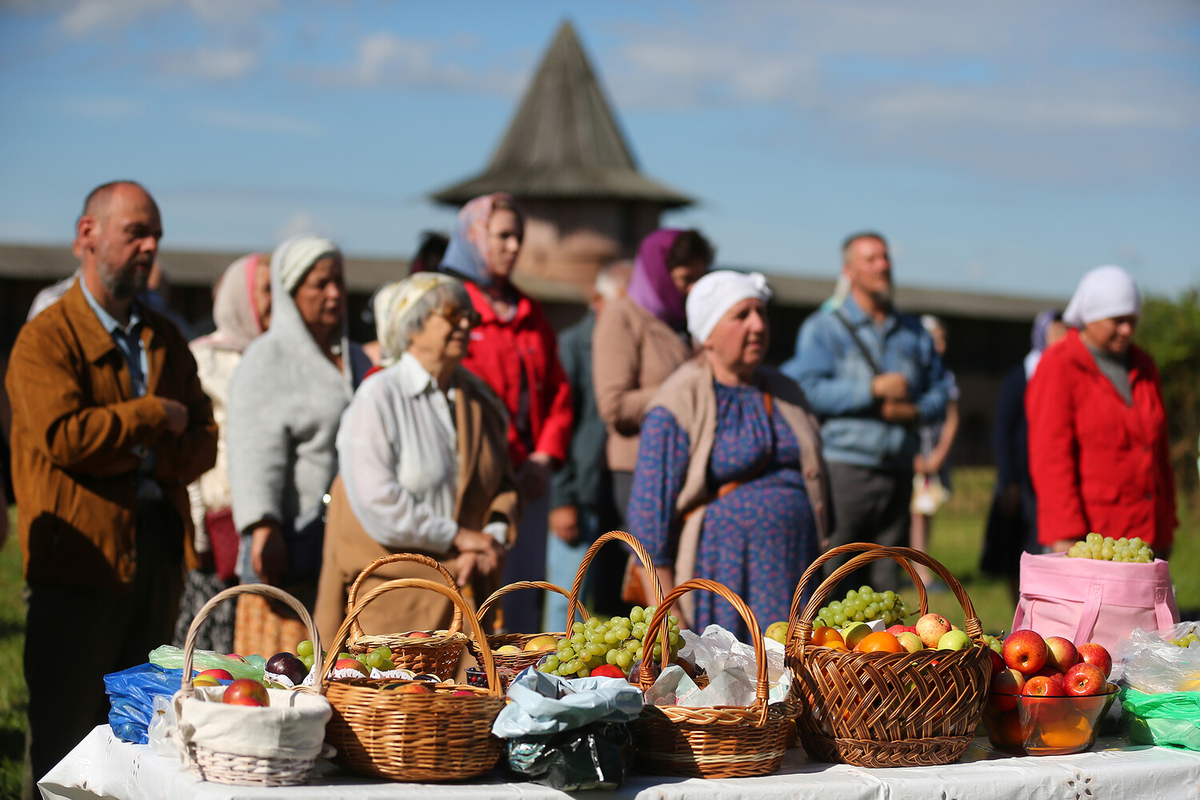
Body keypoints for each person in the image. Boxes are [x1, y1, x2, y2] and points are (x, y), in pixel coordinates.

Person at [5, 181, 218, 793]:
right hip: (78, 565)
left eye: (155, 236)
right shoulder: (46, 338)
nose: (150, 247)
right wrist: (152, 418)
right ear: (86, 237)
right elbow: (64, 439)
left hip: (156, 553)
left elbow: (202, 439)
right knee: (66, 736)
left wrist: (136, 447)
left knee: (140, 735)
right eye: (136, 233)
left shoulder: (165, 336)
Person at [315, 274, 517, 648]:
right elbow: (380, 501)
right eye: (452, 313)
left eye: (469, 316)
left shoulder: (479, 400)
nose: (464, 324)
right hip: (397, 606)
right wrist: (458, 538)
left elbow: (503, 485)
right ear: (412, 327)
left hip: (468, 599)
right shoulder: (379, 397)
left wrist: (492, 540)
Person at [627, 271, 830, 637]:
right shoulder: (677, 403)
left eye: (761, 313)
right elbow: (648, 528)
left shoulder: (788, 392)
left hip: (793, 568)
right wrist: (672, 620)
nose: (757, 324)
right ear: (708, 335)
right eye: (741, 315)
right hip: (723, 575)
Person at [227, 235, 371, 656]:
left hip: (344, 545)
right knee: (289, 665)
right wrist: (263, 526)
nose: (333, 294)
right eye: (319, 284)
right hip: (291, 545)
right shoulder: (267, 359)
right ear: (291, 293)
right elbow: (254, 447)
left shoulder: (356, 358)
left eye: (338, 282)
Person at [782, 232, 951, 592]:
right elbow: (804, 390)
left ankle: (880, 649)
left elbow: (941, 393)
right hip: (845, 470)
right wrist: (871, 390)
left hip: (898, 470)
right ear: (849, 271)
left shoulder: (914, 333)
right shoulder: (824, 330)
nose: (882, 266)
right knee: (834, 578)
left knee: (887, 581)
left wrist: (914, 411)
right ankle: (823, 650)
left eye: (885, 257)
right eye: (871, 259)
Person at [439, 193, 572, 633]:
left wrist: (544, 456)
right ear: (475, 237)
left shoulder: (531, 313)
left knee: (523, 602)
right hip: (473, 483)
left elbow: (559, 393)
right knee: (469, 603)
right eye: (503, 236)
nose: (514, 246)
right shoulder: (451, 305)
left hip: (528, 482)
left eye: (519, 236)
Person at [1027, 265, 1177, 556]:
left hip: (1146, 533)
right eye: (1117, 320)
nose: (1127, 330)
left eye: (1133, 320)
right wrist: (1065, 535)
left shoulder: (1144, 366)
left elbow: (1158, 452)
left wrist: (1165, 522)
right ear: (1091, 318)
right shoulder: (1059, 365)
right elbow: (1050, 459)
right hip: (1091, 541)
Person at [172, 253, 271, 653]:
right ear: (239, 295)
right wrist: (196, 528)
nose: (276, 301)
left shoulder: (278, 360)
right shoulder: (202, 359)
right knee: (208, 648)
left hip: (267, 528)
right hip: (214, 529)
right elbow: (195, 450)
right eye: (266, 289)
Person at [593, 229, 712, 528]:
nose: (692, 289)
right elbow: (614, 406)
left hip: (680, 468)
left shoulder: (681, 326)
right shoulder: (622, 317)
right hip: (638, 471)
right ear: (660, 272)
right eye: (685, 279)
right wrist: (682, 394)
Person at [545, 262, 631, 628]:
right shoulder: (572, 345)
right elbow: (558, 423)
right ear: (598, 301)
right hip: (580, 495)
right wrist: (561, 499)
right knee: (566, 603)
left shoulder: (631, 346)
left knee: (614, 607)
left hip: (615, 494)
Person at [981, 309, 1066, 599]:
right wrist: (1008, 482)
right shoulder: (1022, 376)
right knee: (1020, 551)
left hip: (1052, 478)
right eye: (1055, 333)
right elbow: (1002, 431)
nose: (1061, 339)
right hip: (1023, 480)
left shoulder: (1066, 373)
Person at [908, 315, 959, 587]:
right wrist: (913, 455)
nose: (940, 343)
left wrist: (939, 454)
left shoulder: (945, 376)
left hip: (933, 457)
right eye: (934, 338)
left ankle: (922, 566)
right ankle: (920, 573)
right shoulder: (912, 374)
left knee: (926, 512)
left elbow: (952, 418)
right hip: (914, 456)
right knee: (915, 514)